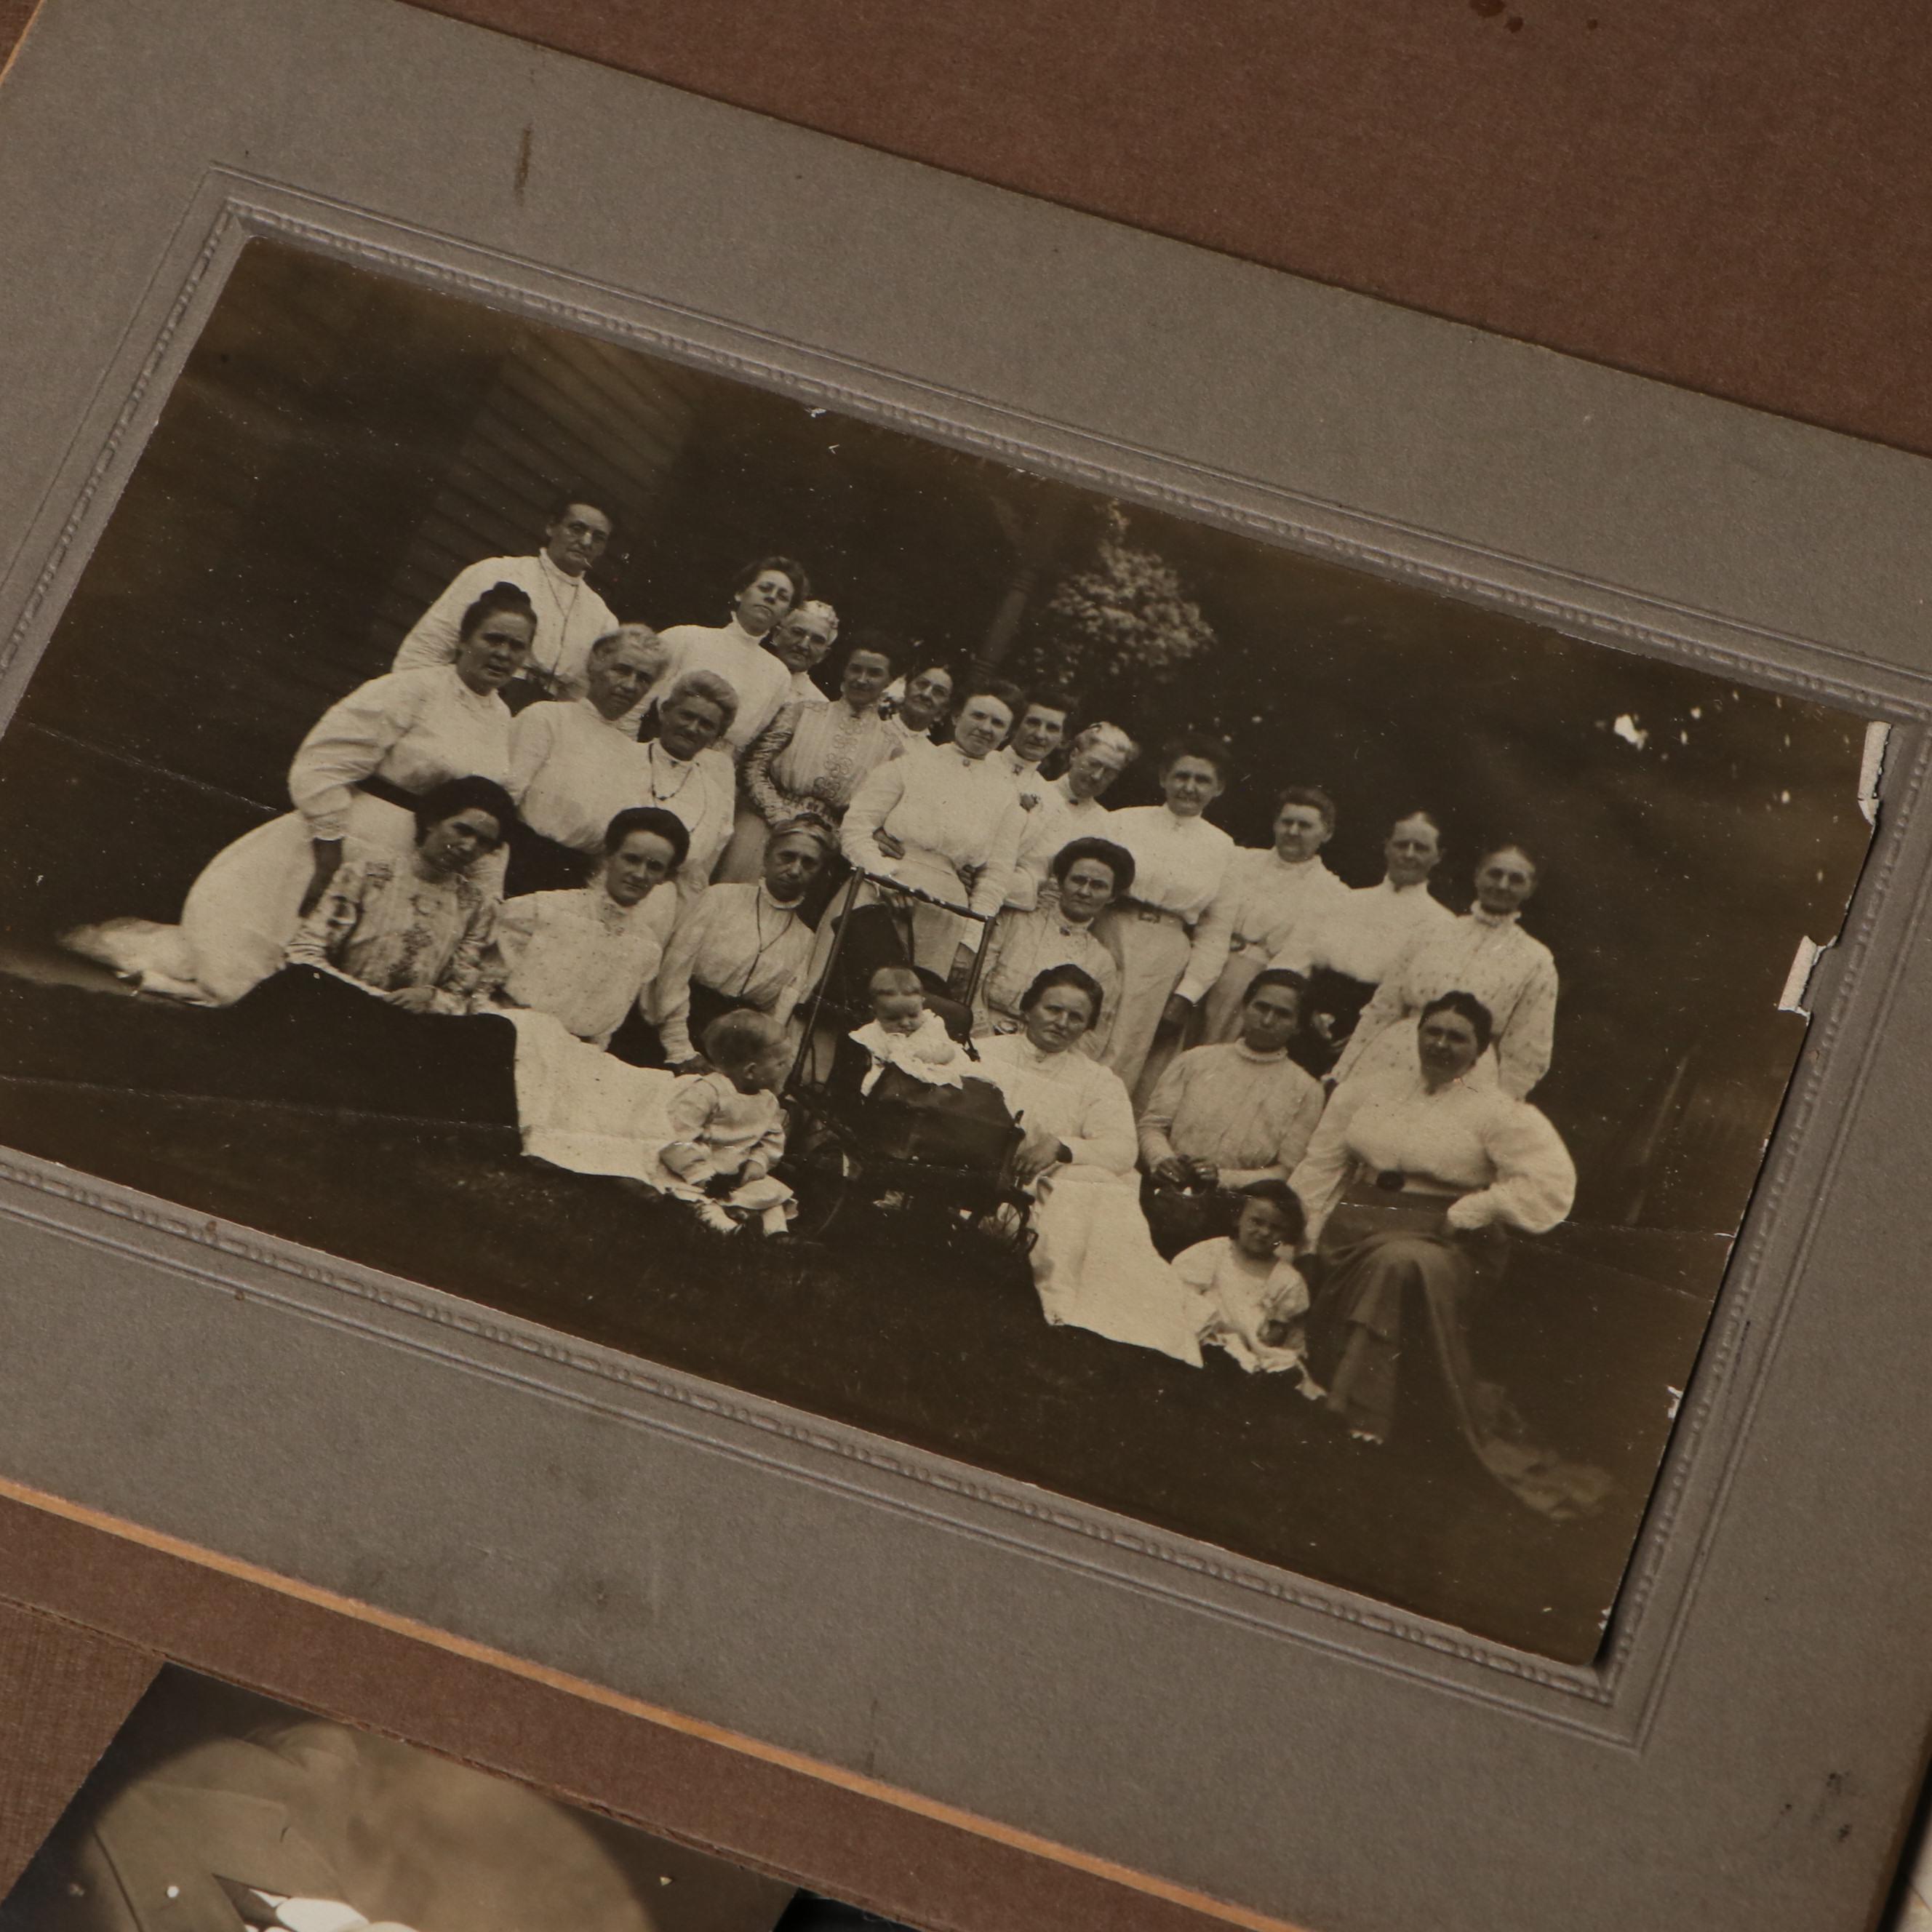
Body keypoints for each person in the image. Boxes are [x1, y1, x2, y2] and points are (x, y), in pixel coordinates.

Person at [64, 584, 535, 1005]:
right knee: (268, 960)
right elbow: (323, 761)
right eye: (492, 639)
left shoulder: (500, 720)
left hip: (422, 861)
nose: (502, 653)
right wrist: (329, 851)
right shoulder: (411, 690)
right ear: (463, 639)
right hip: (357, 836)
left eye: (516, 646)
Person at [1290, 992, 1605, 1519]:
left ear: (1480, 1050)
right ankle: (1331, 1382)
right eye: (1432, 1032)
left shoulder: (1500, 1113)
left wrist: (1476, 1210)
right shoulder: (1366, 1092)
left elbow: (1552, 1186)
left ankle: (1360, 1410)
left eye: (1457, 1037)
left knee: (1399, 1263)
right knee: (1386, 1259)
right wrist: (1302, 1233)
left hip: (1446, 1238)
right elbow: (1321, 1166)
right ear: (1416, 1035)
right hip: (1355, 1225)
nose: (1441, 1044)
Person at [976, 965, 1207, 1365]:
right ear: (1029, 1007)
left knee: (1099, 1180)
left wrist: (1062, 1148)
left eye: (1076, 1017)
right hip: (983, 1172)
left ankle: (1081, 1301)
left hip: (1051, 1187)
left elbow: (1121, 1149)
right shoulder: (983, 1054)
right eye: (1053, 1009)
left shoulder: (1098, 1080)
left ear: (1088, 1027)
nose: (1062, 1023)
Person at [1328, 841, 1558, 1097]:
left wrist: (1501, 1108)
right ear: (1477, 875)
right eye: (1495, 873)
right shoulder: (1433, 932)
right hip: (1394, 1058)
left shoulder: (1536, 960)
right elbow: (1384, 1008)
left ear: (1531, 888)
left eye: (1516, 879)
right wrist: (1343, 1071)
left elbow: (1527, 1052)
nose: (1502, 885)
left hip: (1469, 1078)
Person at [837, 679, 1029, 981]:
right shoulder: (910, 764)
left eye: (997, 723)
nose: (985, 728)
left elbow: (995, 876)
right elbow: (856, 827)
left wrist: (969, 940)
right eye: (977, 715)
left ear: (1007, 734)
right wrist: (882, 878)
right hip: (878, 894)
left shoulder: (1008, 797)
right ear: (956, 717)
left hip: (944, 915)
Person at [1137, 967, 1328, 1254]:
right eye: (1260, 1007)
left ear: (1298, 1026)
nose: (1267, 1020)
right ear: (1244, 1007)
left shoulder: (1306, 1090)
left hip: (1232, 1211)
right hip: (1165, 1190)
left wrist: (1222, 1178)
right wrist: (1163, 1160)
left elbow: (1287, 1169)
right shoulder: (1196, 1060)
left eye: (1283, 1014)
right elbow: (1153, 1125)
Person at [1090, 733, 1237, 1105]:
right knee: (1083, 1025)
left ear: (1218, 788)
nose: (1189, 787)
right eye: (1181, 776)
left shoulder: (1224, 848)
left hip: (1164, 952)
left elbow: (1215, 933)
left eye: (1202, 780)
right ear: (1164, 778)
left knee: (1126, 1050)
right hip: (1107, 931)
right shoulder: (1123, 822)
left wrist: (1187, 994)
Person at [284, 775, 512, 1012]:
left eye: (484, 842)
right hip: (337, 1003)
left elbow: (463, 993)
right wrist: (376, 1000)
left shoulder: (475, 907)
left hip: (409, 1023)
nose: (468, 846)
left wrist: (431, 999)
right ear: (432, 821)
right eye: (462, 830)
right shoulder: (366, 874)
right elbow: (303, 952)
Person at [1270, 809, 1457, 1075]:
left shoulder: (1441, 924)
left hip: (1373, 1033)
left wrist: (1367, 1035)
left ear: (1438, 856)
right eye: (1402, 844)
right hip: (1308, 1019)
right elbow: (1301, 958)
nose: (1409, 854)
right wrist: (1306, 1011)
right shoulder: (1347, 901)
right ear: (1387, 847)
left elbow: (1420, 1001)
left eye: (1421, 848)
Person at [484, 805, 688, 1048]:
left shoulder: (646, 947)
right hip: (505, 1037)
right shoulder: (540, 909)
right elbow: (482, 987)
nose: (640, 874)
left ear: (665, 877)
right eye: (631, 859)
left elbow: (602, 1035)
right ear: (609, 856)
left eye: (654, 866)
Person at [391, 493, 618, 707]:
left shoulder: (602, 617)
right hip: (471, 700)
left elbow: (579, 695)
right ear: (552, 527)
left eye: (598, 538)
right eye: (577, 529)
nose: (586, 542)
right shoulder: (496, 572)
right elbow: (428, 647)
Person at [501, 624, 669, 894]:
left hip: (572, 882)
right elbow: (505, 798)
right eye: (622, 670)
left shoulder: (634, 756)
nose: (630, 685)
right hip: (512, 862)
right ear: (596, 662)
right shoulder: (547, 718)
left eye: (643, 679)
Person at [725, 628, 901, 885]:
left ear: (889, 681)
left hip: (828, 844)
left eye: (874, 673)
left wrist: (831, 837)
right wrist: (779, 816)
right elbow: (753, 766)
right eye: (856, 669)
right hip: (765, 821)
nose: (862, 679)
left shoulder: (892, 748)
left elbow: (876, 814)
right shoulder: (801, 712)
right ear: (845, 671)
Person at [652, 818, 829, 1067]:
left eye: (809, 863)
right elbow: (673, 973)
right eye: (787, 856)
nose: (795, 870)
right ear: (766, 857)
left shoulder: (806, 940)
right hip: (675, 1025)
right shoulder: (721, 898)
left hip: (736, 1051)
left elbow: (777, 1016)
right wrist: (679, 1047)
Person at [1191, 788, 1352, 1042]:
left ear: (1327, 834)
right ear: (1275, 824)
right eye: (1287, 822)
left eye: (1305, 825)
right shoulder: (1241, 861)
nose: (1293, 831)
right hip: (1204, 960)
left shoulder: (1332, 892)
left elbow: (1298, 955)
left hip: (1255, 984)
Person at [973, 835, 1130, 1053]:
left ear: (1112, 897)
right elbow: (972, 982)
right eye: (1078, 880)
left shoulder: (1102, 962)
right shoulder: (1015, 921)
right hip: (980, 1036)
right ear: (1060, 880)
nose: (1084, 892)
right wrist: (982, 1038)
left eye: (1098, 886)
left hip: (1045, 1056)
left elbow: (1093, 1036)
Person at [648, 1009, 797, 1235]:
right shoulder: (708, 1092)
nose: (786, 1068)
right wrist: (700, 1174)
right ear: (751, 1071)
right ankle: (729, 1230)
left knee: (772, 1197)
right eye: (780, 1064)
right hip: (698, 1171)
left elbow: (772, 1139)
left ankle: (778, 1235)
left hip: (737, 1173)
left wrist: (758, 1162)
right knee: (703, 1201)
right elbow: (676, 1135)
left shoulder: (767, 1102)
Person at [650, 554, 810, 755]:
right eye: (764, 588)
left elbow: (749, 742)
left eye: (783, 597)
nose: (771, 598)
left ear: (786, 614)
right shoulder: (685, 637)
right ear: (740, 593)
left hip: (717, 772)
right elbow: (639, 704)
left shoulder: (778, 675)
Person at [1171, 1179, 1314, 1376]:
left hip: (1253, 1352)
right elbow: (1183, 1296)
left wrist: (1271, 1337)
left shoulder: (1287, 1279)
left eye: (1276, 1228)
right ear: (1237, 1217)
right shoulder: (1213, 1253)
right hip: (1205, 1339)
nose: (1265, 1232)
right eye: (1257, 1222)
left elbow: (1286, 1329)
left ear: (1288, 1232)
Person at [1007, 721, 1135, 911]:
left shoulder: (1108, 825)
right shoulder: (1030, 791)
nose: (1097, 776)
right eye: (1093, 764)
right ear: (1075, 755)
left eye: (1109, 772)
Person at [638, 669, 741, 905]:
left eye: (706, 725)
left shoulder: (713, 797)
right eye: (687, 716)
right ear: (665, 712)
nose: (693, 728)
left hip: (667, 903)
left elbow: (702, 863)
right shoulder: (627, 760)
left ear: (716, 737)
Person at [849, 962, 969, 1094]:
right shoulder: (875, 1033)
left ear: (922, 1004)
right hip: (899, 1086)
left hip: (936, 1081)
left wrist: (936, 1057)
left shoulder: (930, 1025)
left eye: (913, 1015)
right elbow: (872, 1060)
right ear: (875, 1012)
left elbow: (950, 1049)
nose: (905, 1023)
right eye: (893, 1018)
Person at [1000, 691, 1072, 810]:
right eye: (1033, 723)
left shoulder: (1052, 800)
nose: (1040, 735)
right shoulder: (982, 763)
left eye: (1052, 728)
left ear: (1062, 739)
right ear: (1015, 725)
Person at [765, 599, 839, 706]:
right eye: (797, 633)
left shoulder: (819, 704)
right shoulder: (746, 666)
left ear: (824, 655)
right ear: (777, 634)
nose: (803, 645)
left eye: (817, 641)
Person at [879, 656, 954, 754]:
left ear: (944, 709)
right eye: (922, 684)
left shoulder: (933, 757)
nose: (926, 694)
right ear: (906, 688)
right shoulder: (873, 730)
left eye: (939, 692)